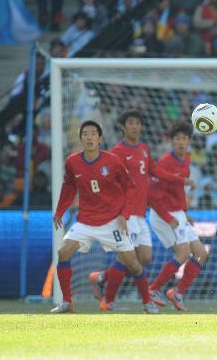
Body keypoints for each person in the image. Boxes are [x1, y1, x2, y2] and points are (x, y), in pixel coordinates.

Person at [51, 120, 158, 314]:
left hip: (112, 221)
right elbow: (68, 187)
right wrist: (60, 211)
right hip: (86, 221)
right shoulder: (72, 162)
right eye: (85, 134)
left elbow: (131, 187)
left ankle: (147, 301)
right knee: (63, 253)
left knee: (134, 264)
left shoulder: (112, 161)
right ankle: (67, 302)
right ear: (81, 139)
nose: (89, 137)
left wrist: (125, 214)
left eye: (93, 134)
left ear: (100, 139)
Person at [88, 109, 185, 308]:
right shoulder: (117, 152)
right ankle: (110, 300)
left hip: (141, 213)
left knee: (145, 257)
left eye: (138, 123)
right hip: (125, 213)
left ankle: (102, 277)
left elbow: (155, 171)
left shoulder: (143, 149)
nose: (135, 126)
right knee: (128, 259)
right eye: (130, 122)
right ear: (123, 127)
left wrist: (179, 180)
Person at [147, 121, 208, 311]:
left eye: (184, 138)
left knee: (200, 254)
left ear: (189, 141)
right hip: (161, 214)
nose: (181, 142)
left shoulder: (187, 160)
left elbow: (178, 191)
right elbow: (152, 195)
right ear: (172, 142)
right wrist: (168, 217)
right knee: (182, 253)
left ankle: (177, 293)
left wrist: (184, 213)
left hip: (177, 213)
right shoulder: (165, 161)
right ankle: (153, 289)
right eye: (177, 139)